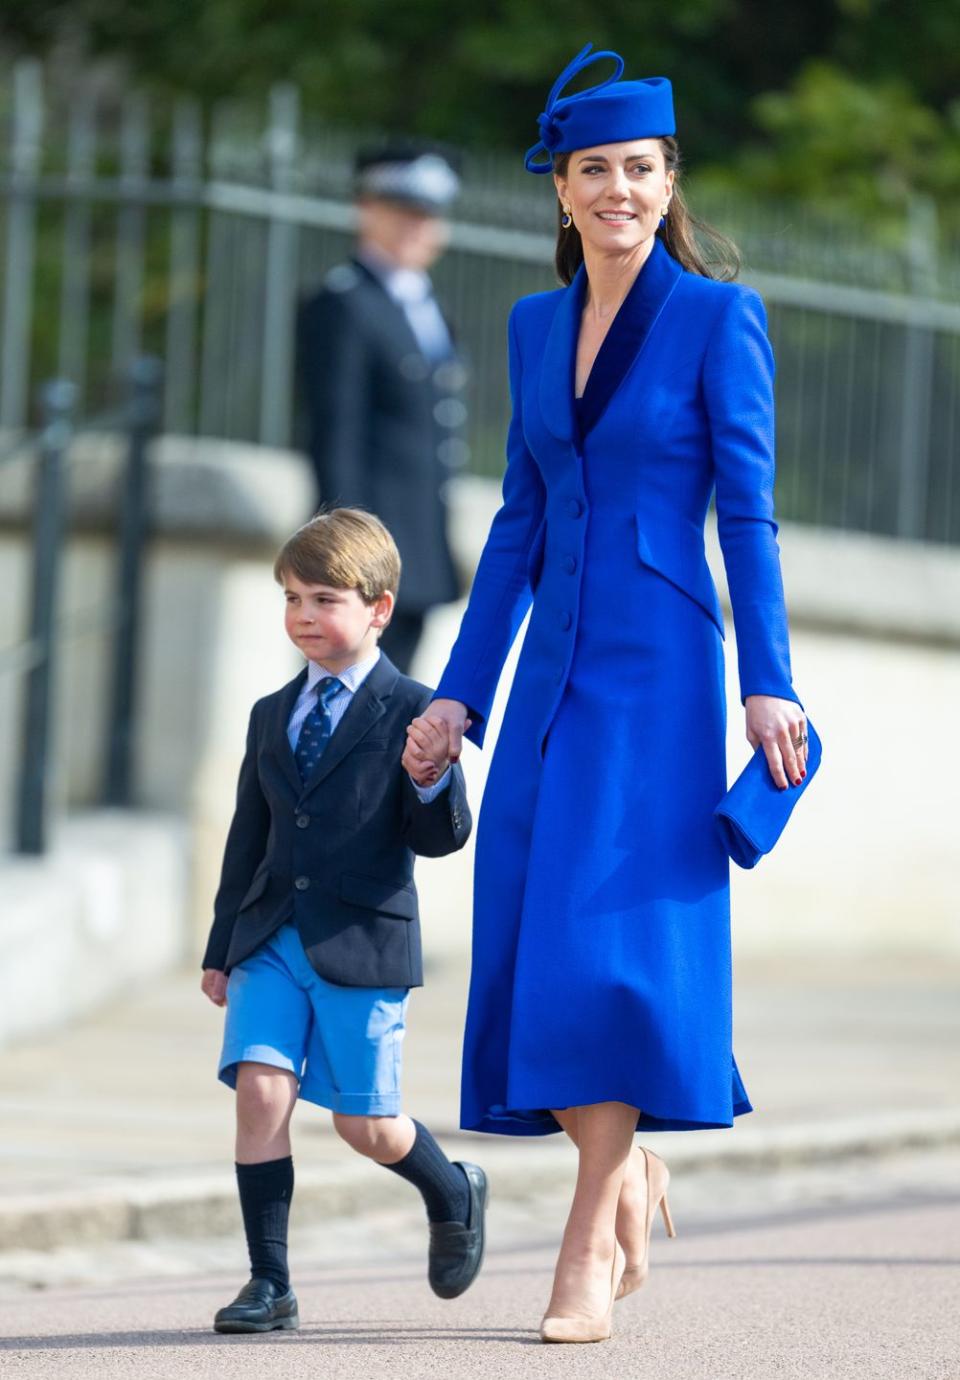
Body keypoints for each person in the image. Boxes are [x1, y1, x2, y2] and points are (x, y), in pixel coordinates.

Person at [406, 43, 811, 1344]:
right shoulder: (533, 325)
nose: (620, 189)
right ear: (563, 190)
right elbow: (520, 526)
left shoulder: (716, 319)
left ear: (667, 177)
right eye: (597, 171)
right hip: (551, 674)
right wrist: (459, 696)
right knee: (543, 941)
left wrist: (771, 689)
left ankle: (585, 1247)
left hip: (664, 679)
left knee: (615, 947)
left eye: (642, 168)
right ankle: (627, 1161)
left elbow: (747, 518)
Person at [200, 507, 486, 1335]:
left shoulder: (419, 709)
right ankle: (270, 1280)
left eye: (324, 599)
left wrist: (433, 778)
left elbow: (440, 839)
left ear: (380, 608)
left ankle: (452, 1188)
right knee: (260, 1092)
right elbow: (245, 839)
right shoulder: (271, 713)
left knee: (365, 1124)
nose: (303, 617)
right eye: (291, 598)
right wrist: (223, 945)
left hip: (362, 942)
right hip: (270, 937)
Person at [297, 143, 469, 675]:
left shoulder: (425, 306)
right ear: (365, 210)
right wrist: (347, 559)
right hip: (365, 557)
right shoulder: (344, 304)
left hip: (416, 547)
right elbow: (336, 436)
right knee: (342, 706)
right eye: (402, 211)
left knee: (389, 714)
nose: (417, 227)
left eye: (429, 215)